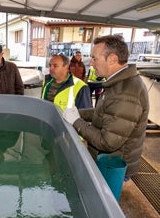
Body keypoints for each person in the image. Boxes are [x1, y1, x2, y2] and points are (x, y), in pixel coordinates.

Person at [62, 35, 149, 178]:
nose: (91, 63)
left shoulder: (126, 93)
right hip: (108, 161)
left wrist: (76, 122)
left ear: (112, 59)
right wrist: (78, 113)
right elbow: (105, 112)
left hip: (112, 168)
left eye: (95, 58)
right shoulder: (118, 83)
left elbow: (107, 142)